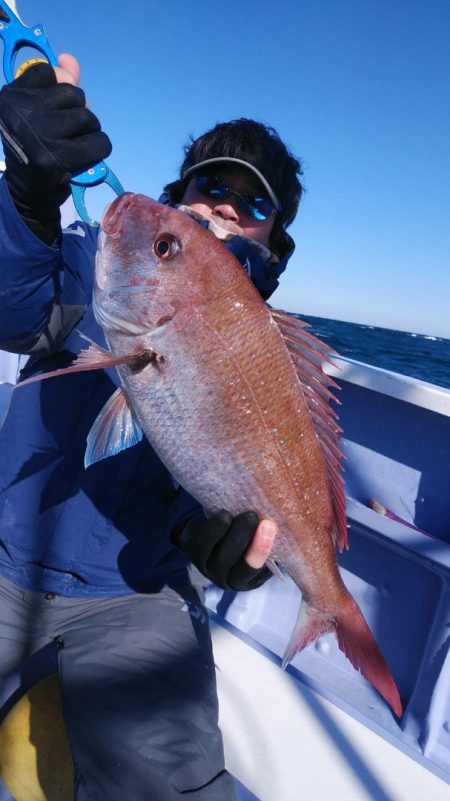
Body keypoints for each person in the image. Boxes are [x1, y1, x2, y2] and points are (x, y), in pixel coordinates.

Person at [0, 54, 303, 800]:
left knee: (167, 780)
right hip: (5, 553)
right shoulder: (90, 263)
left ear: (273, 242)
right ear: (181, 195)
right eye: (212, 185)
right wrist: (29, 199)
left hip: (137, 591)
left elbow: (243, 475)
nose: (226, 207)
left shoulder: (272, 357)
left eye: (252, 203)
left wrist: (219, 544)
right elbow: (13, 306)